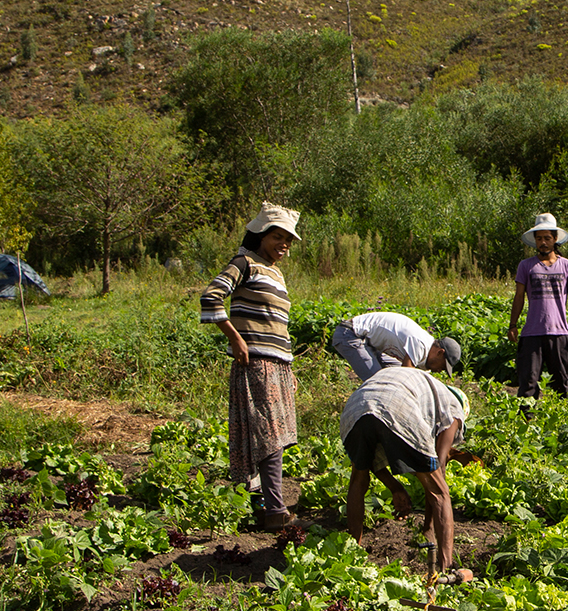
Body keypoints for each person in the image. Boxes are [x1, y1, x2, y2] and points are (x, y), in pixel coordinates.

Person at [200, 202, 303, 529]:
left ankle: (261, 504)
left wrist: (289, 367)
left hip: (277, 366)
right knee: (268, 435)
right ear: (260, 234)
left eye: (288, 239)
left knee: (272, 435)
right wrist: (234, 337)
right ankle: (274, 510)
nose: (284, 244)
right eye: (278, 237)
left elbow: (278, 325)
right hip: (256, 363)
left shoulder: (275, 272)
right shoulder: (244, 263)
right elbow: (211, 297)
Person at [340, 365, 474, 582]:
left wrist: (395, 487)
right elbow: (438, 468)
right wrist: (431, 509)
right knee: (441, 492)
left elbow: (373, 458)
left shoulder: (421, 385)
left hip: (356, 406)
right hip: (397, 405)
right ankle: (446, 568)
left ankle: (351, 556)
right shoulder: (454, 408)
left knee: (358, 479)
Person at [507, 213, 568, 401]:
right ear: (535, 240)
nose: (543, 242)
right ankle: (526, 423)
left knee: (561, 383)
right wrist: (512, 325)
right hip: (531, 334)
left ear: (555, 239)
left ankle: (561, 424)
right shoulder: (526, 266)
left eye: (547, 238)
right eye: (539, 238)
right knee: (528, 384)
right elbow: (519, 296)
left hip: (559, 333)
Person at [332, 311, 462, 382]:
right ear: (439, 352)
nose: (440, 370)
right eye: (443, 366)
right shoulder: (421, 344)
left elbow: (421, 379)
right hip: (350, 334)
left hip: (371, 343)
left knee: (392, 375)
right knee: (379, 382)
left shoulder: (425, 352)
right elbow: (407, 376)